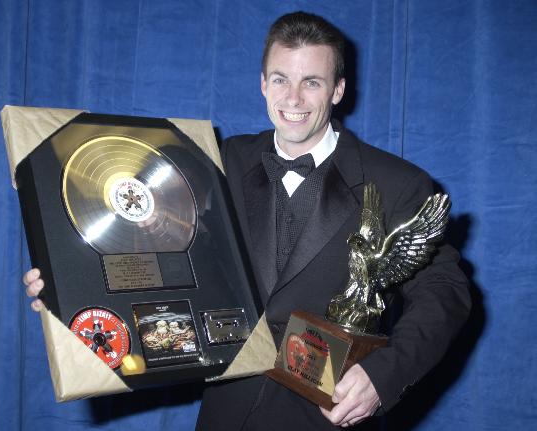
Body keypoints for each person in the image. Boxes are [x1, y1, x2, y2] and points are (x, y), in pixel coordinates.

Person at [25, 11, 471, 430]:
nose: (292, 98)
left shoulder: (397, 183)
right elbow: (150, 244)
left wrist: (382, 376)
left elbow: (445, 293)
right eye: (280, 79)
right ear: (262, 83)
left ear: (337, 90)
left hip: (328, 414)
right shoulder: (216, 161)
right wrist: (71, 282)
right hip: (226, 412)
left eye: (311, 82)